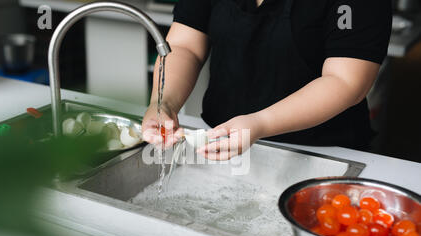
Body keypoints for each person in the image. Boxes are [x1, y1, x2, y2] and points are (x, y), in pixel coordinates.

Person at [142, 0, 392, 160]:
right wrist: (162, 104)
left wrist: (258, 123)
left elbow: (345, 81)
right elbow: (185, 46)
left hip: (323, 153)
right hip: (221, 144)